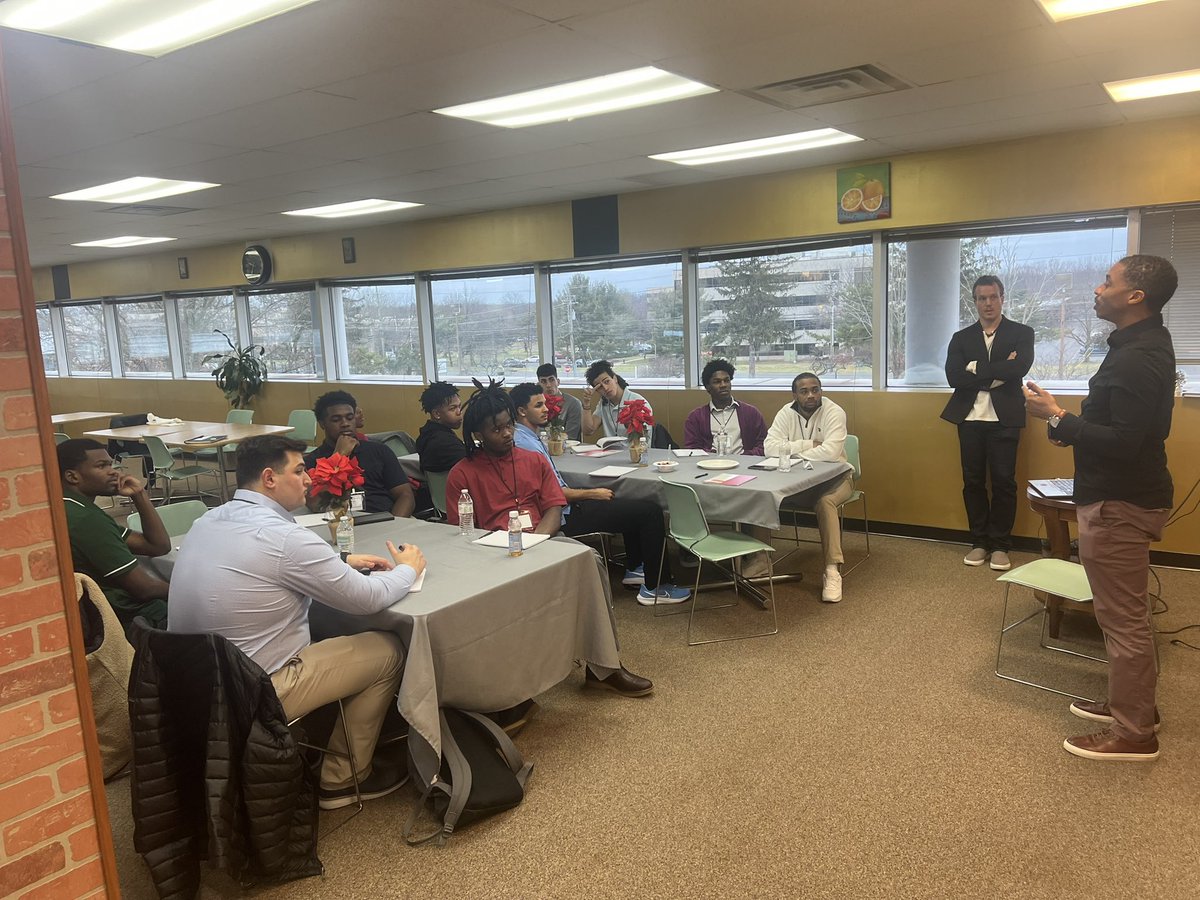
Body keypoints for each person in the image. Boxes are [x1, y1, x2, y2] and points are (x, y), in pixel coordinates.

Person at [168, 435, 427, 808]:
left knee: (324, 628)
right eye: (300, 470)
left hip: (195, 684)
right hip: (252, 694)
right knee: (388, 648)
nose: (309, 479)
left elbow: (258, 569)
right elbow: (368, 599)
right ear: (270, 478)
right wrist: (407, 570)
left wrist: (338, 565)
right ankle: (343, 777)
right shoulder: (287, 537)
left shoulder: (210, 518)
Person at [1024, 255, 1178, 763]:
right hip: (1117, 493)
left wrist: (1057, 416)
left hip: (1121, 501)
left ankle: (1135, 734)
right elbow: (1115, 425)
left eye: (1107, 282)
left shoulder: (1139, 355)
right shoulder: (1138, 345)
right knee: (1122, 615)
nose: (1097, 287)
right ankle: (1129, 705)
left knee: (1123, 619)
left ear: (1135, 296)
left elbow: (1125, 442)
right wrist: (1062, 418)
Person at [445, 382, 655, 697]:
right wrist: (506, 549)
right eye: (495, 430)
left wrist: (535, 543)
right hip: (492, 552)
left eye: (508, 426)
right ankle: (503, 684)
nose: (506, 434)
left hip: (544, 540)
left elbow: (554, 506)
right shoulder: (462, 474)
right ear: (477, 434)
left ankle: (604, 668)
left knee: (591, 562)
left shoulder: (533, 460)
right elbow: (461, 531)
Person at [510, 382, 690, 605]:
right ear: (521, 411)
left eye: (545, 404)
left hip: (566, 504)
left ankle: (635, 568)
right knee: (650, 511)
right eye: (539, 405)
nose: (546, 409)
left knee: (633, 503)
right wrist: (591, 494)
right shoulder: (524, 444)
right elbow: (550, 495)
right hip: (562, 515)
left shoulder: (530, 437)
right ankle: (656, 588)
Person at [941, 275, 1035, 571]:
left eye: (993, 297)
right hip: (969, 419)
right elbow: (954, 377)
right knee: (973, 482)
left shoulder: (1021, 332)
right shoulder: (961, 338)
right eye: (982, 298)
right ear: (975, 302)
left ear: (1002, 298)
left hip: (1004, 418)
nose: (988, 303)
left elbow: (1019, 367)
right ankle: (979, 541)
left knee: (1005, 482)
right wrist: (998, 370)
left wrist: (975, 368)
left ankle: (1000, 545)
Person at [57, 438, 171, 633]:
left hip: (101, 614)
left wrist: (139, 494)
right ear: (72, 476)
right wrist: (190, 589)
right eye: (101, 466)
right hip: (127, 618)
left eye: (111, 464)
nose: (114, 472)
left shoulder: (72, 507)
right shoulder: (85, 519)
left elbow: (158, 546)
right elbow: (144, 589)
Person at [764, 373, 855, 603]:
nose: (811, 395)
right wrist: (808, 445)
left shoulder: (835, 411)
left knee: (825, 503)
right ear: (794, 394)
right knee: (762, 493)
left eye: (816, 389)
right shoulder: (786, 412)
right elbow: (769, 448)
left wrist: (790, 452)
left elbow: (831, 453)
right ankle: (756, 562)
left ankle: (832, 571)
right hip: (797, 482)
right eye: (804, 391)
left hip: (836, 478)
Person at [305, 390, 415, 517]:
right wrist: (339, 456)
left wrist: (396, 525)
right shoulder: (312, 461)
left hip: (385, 519)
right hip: (338, 523)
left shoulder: (379, 451)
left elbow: (405, 495)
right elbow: (316, 505)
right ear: (322, 424)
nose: (345, 424)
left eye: (350, 418)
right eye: (336, 420)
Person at [684, 358, 767, 455]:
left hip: (743, 466)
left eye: (726, 380)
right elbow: (692, 449)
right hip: (710, 465)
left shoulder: (751, 413)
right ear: (707, 387)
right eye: (717, 382)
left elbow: (764, 444)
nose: (723, 385)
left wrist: (744, 457)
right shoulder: (695, 418)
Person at [582, 360, 653, 444]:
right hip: (609, 453)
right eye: (600, 387)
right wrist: (586, 404)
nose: (605, 388)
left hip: (633, 452)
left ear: (615, 378)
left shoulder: (637, 402)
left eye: (607, 381)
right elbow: (588, 431)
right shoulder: (604, 403)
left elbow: (643, 439)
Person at [415, 381, 467, 474]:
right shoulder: (444, 443)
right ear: (436, 414)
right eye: (452, 408)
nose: (459, 412)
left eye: (459, 406)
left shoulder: (428, 435)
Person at [537, 363, 583, 442]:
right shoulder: (536, 405)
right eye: (543, 381)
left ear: (558, 382)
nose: (548, 385)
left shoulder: (573, 404)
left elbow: (571, 437)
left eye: (551, 380)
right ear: (538, 385)